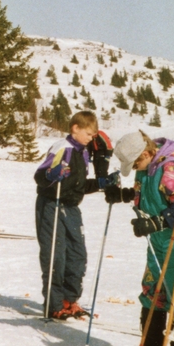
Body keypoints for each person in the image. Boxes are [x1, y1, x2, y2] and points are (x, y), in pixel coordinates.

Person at [110, 131, 174, 346]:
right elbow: (147, 195)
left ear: (147, 153)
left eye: (136, 163)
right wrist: (124, 195)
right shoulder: (147, 167)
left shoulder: (172, 165)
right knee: (152, 295)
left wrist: (157, 222)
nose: (135, 169)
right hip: (157, 244)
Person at [34, 110, 104, 319]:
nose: (92, 139)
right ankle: (54, 304)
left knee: (77, 255)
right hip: (51, 205)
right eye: (89, 134)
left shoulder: (82, 151)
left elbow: (78, 185)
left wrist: (100, 183)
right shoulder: (62, 148)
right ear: (76, 128)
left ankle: (68, 299)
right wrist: (51, 175)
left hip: (71, 207)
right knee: (55, 256)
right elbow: (40, 176)